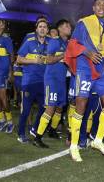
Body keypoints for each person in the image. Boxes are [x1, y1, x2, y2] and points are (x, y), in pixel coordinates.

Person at [64, 0, 104, 162]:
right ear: (93, 8)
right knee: (81, 104)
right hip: (85, 69)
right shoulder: (84, 22)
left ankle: (98, 140)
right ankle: (74, 145)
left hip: (99, 72)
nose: (101, 7)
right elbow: (73, 43)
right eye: (98, 4)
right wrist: (88, 52)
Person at [33, 19, 72, 148]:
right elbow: (49, 60)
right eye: (66, 26)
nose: (69, 28)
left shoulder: (68, 44)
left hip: (61, 80)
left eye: (69, 26)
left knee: (60, 107)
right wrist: (63, 56)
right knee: (50, 107)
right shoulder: (55, 42)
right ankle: (38, 137)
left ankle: (52, 130)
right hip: (52, 80)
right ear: (59, 29)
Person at [16, 20, 49, 143]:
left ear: (47, 30)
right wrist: (34, 61)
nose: (42, 29)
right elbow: (19, 59)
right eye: (40, 27)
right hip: (29, 82)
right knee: (26, 110)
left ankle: (35, 128)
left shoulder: (50, 43)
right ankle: (21, 134)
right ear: (36, 29)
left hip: (44, 82)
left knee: (45, 108)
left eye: (44, 27)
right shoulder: (29, 42)